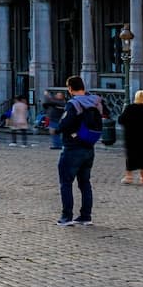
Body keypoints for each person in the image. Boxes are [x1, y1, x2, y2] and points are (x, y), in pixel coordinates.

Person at [54, 76, 102, 226]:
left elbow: (65, 123)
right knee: (85, 183)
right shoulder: (96, 101)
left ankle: (66, 216)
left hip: (73, 147)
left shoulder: (73, 104)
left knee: (66, 182)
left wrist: (58, 129)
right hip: (89, 146)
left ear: (70, 88)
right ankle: (86, 216)